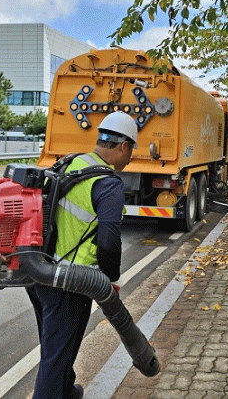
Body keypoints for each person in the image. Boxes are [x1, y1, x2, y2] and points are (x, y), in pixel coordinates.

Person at [26, 111, 137, 399]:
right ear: (123, 146)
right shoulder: (108, 183)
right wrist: (109, 281)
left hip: (38, 272)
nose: (130, 159)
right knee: (55, 355)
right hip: (69, 282)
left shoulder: (71, 162)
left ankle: (66, 391)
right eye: (131, 151)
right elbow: (109, 242)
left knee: (57, 346)